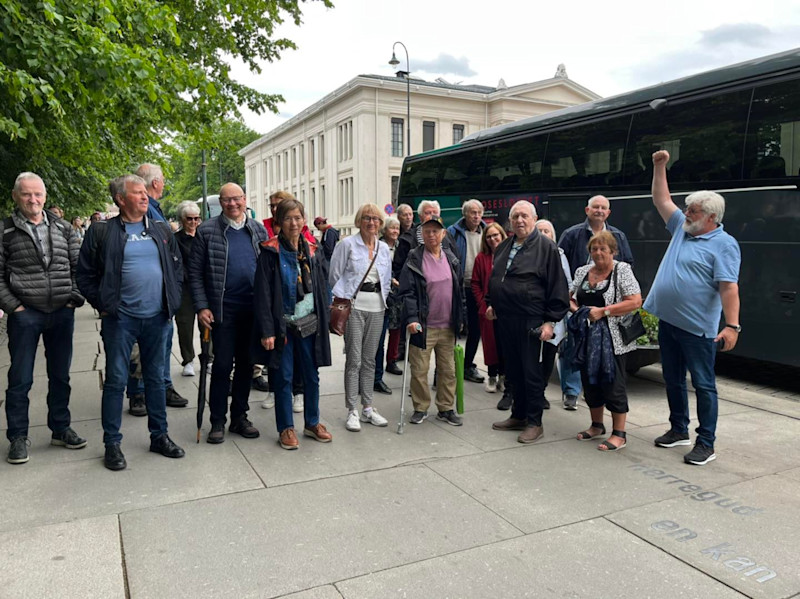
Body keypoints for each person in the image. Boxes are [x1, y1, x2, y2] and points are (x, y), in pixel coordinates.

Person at [77, 175, 185, 470]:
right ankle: (112, 444)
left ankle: (159, 436)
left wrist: (173, 300)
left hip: (157, 318)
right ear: (120, 199)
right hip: (120, 320)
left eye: (144, 192)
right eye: (137, 193)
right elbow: (84, 274)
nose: (144, 196)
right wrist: (103, 304)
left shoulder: (161, 229)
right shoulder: (102, 231)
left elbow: (176, 267)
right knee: (116, 380)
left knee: (156, 379)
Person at [646, 150, 741, 466]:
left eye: (693, 210)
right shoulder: (682, 228)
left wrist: (732, 326)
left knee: (703, 384)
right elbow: (661, 199)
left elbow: (728, 287)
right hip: (670, 322)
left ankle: (706, 443)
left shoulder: (724, 244)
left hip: (697, 330)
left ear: (711, 217)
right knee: (672, 379)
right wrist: (660, 166)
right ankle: (678, 430)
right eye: (687, 208)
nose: (686, 213)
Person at [0, 173, 86, 465]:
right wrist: (14, 307)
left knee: (60, 375)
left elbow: (79, 266)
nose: (33, 199)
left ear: (45, 196)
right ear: (16, 196)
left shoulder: (63, 228)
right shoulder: (5, 230)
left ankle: (60, 429)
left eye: (37, 194)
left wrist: (73, 299)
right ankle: (18, 437)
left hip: (62, 311)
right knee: (20, 378)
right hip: (25, 314)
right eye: (26, 194)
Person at [189, 182, 267, 444]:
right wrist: (202, 306)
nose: (232, 204)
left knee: (246, 365)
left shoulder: (257, 229)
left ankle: (239, 417)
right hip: (222, 311)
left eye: (237, 199)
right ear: (220, 203)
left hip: (252, 309)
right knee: (222, 366)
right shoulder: (207, 231)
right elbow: (195, 273)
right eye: (226, 200)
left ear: (245, 199)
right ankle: (217, 421)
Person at [253, 198, 333, 450]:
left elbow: (323, 285)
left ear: (304, 220)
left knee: (311, 376)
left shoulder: (313, 249)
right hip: (283, 326)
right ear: (279, 222)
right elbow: (263, 294)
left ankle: (312, 422)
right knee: (283, 377)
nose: (293, 223)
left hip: (310, 324)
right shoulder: (270, 251)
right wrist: (267, 330)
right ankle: (286, 427)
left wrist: (326, 316)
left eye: (298, 217)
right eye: (288, 218)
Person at [487, 201, 569, 444]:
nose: (519, 221)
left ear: (534, 219)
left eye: (524, 216)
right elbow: (497, 277)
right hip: (506, 318)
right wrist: (492, 302)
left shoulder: (546, 247)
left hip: (531, 320)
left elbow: (557, 286)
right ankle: (519, 415)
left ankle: (535, 422)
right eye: (515, 217)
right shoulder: (505, 245)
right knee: (513, 371)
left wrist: (550, 322)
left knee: (532, 373)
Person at [557, 195, 634, 411]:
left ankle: (612, 418)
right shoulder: (571, 234)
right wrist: (576, 308)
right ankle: (572, 392)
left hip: (611, 317)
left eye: (603, 208)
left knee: (610, 376)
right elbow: (559, 263)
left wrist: (609, 305)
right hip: (580, 305)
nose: (599, 210)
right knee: (574, 349)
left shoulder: (618, 236)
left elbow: (629, 264)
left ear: (608, 212)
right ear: (587, 210)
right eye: (595, 207)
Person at [569, 231, 642, 451]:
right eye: (594, 249)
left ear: (613, 251)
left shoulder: (622, 270)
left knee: (613, 383)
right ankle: (596, 426)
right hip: (586, 338)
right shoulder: (582, 271)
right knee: (590, 382)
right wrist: (579, 311)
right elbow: (569, 297)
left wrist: (603, 311)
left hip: (613, 340)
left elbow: (635, 301)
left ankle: (619, 434)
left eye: (603, 249)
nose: (598, 253)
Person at [125, 163, 188, 415]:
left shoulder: (153, 209)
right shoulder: (146, 210)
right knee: (145, 347)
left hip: (162, 294)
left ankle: (162, 386)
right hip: (148, 296)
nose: (163, 184)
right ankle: (140, 392)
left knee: (162, 343)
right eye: (162, 180)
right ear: (155, 183)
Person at [329, 204, 392, 431]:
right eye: (367, 218)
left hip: (377, 306)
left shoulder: (383, 248)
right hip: (354, 306)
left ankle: (367, 407)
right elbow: (334, 275)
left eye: (375, 219)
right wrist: (342, 298)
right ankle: (352, 409)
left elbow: (386, 278)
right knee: (354, 360)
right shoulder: (347, 244)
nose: (371, 222)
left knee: (370, 360)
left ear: (380, 223)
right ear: (359, 221)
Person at [398, 217, 465, 426]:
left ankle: (446, 408)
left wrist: (461, 317)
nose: (431, 235)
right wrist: (411, 318)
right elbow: (407, 292)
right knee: (419, 370)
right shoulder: (414, 258)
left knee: (448, 370)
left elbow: (459, 291)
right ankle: (421, 408)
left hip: (447, 326)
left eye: (436, 231)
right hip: (423, 326)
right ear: (422, 235)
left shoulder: (451, 259)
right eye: (427, 231)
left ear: (443, 234)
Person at [534, 219, 573, 410]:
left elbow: (567, 284)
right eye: (539, 230)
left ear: (553, 235)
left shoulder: (560, 254)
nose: (543, 234)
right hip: (532, 313)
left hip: (553, 315)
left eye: (546, 231)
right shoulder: (528, 253)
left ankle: (541, 391)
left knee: (549, 355)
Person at [447, 199, 487, 385]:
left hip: (478, 288)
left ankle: (468, 365)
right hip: (458, 287)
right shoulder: (453, 232)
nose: (476, 216)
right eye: (472, 212)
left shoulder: (487, 231)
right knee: (454, 327)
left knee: (476, 329)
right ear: (465, 214)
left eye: (479, 212)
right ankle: (445, 368)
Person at [471, 223, 508, 400]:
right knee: (490, 344)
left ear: (502, 235)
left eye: (495, 235)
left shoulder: (510, 255)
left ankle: (503, 377)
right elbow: (475, 283)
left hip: (507, 309)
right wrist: (482, 304)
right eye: (489, 237)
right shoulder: (481, 258)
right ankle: (492, 377)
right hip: (487, 310)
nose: (492, 239)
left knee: (505, 344)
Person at [373, 215, 403, 395]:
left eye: (397, 228)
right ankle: (374, 377)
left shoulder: (402, 246)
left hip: (396, 294)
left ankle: (389, 363)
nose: (395, 231)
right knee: (378, 338)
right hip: (380, 295)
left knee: (395, 329)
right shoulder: (378, 246)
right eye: (392, 228)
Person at [174, 201, 202, 377]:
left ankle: (208, 358)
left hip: (204, 286)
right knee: (185, 324)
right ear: (182, 220)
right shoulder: (175, 239)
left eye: (196, 218)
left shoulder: (204, 236)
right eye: (189, 219)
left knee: (208, 323)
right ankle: (188, 359)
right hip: (185, 288)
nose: (193, 222)